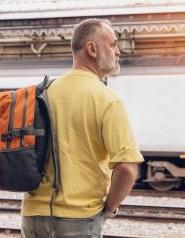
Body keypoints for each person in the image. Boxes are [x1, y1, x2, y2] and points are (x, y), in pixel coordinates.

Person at [21, 18, 144, 238]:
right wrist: (108, 210)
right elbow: (127, 168)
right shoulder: (108, 100)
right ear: (92, 49)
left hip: (33, 215)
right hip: (78, 217)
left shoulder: (44, 92)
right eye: (113, 44)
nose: (118, 52)